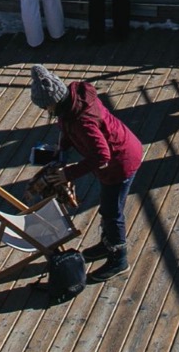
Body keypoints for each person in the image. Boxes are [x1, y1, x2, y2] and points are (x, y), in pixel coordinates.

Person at [30, 64, 143, 282]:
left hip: (120, 164)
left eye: (46, 108)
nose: (46, 112)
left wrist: (68, 174)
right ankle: (107, 243)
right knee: (108, 207)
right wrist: (62, 150)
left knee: (112, 213)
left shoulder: (82, 120)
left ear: (53, 102)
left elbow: (102, 156)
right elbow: (66, 127)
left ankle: (119, 259)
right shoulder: (72, 103)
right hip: (120, 154)